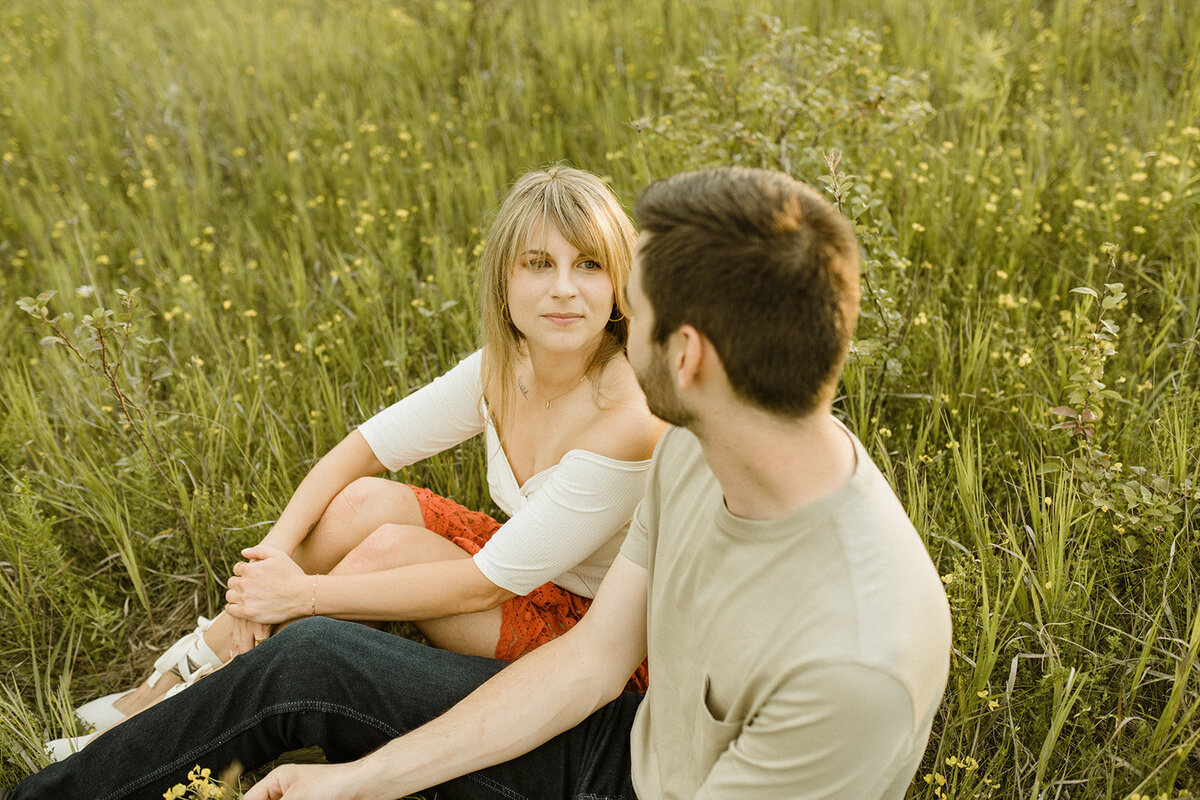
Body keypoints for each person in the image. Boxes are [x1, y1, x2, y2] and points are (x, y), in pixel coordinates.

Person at [14, 166, 952, 800]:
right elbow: (587, 666)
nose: (608, 317)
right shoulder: (695, 454)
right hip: (620, 730)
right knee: (313, 660)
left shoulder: (851, 665)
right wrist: (354, 782)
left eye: (636, 300)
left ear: (690, 355)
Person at [47, 165, 663, 757]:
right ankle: (195, 663)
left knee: (384, 551)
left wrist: (305, 595)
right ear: (504, 282)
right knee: (363, 501)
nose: (563, 287)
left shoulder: (628, 415)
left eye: (587, 264)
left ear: (618, 283)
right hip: (530, 568)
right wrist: (267, 567)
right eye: (538, 264)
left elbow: (488, 584)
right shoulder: (505, 367)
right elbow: (358, 450)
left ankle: (180, 712)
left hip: (601, 639)